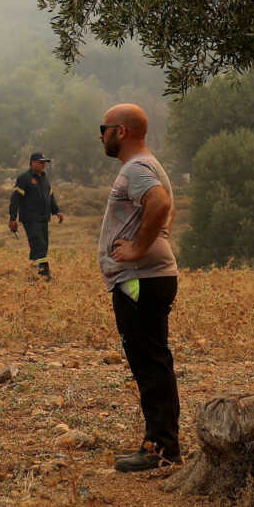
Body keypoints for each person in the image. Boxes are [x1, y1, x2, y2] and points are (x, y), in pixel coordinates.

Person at [96, 104, 181, 473]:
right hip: (142, 278)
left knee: (149, 362)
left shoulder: (138, 168)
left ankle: (161, 449)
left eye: (104, 128)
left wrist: (138, 248)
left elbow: (159, 203)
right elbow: (163, 208)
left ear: (121, 131)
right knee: (151, 359)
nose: (100, 135)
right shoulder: (148, 165)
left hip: (138, 281)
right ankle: (161, 443)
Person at [9, 152, 61, 280]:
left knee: (41, 247)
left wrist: (56, 211)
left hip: (44, 218)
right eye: (41, 162)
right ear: (32, 162)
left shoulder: (44, 178)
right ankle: (45, 276)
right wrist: (12, 218)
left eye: (45, 163)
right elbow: (15, 199)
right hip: (30, 219)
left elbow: (50, 196)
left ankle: (33, 274)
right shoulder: (24, 178)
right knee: (40, 246)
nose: (43, 165)